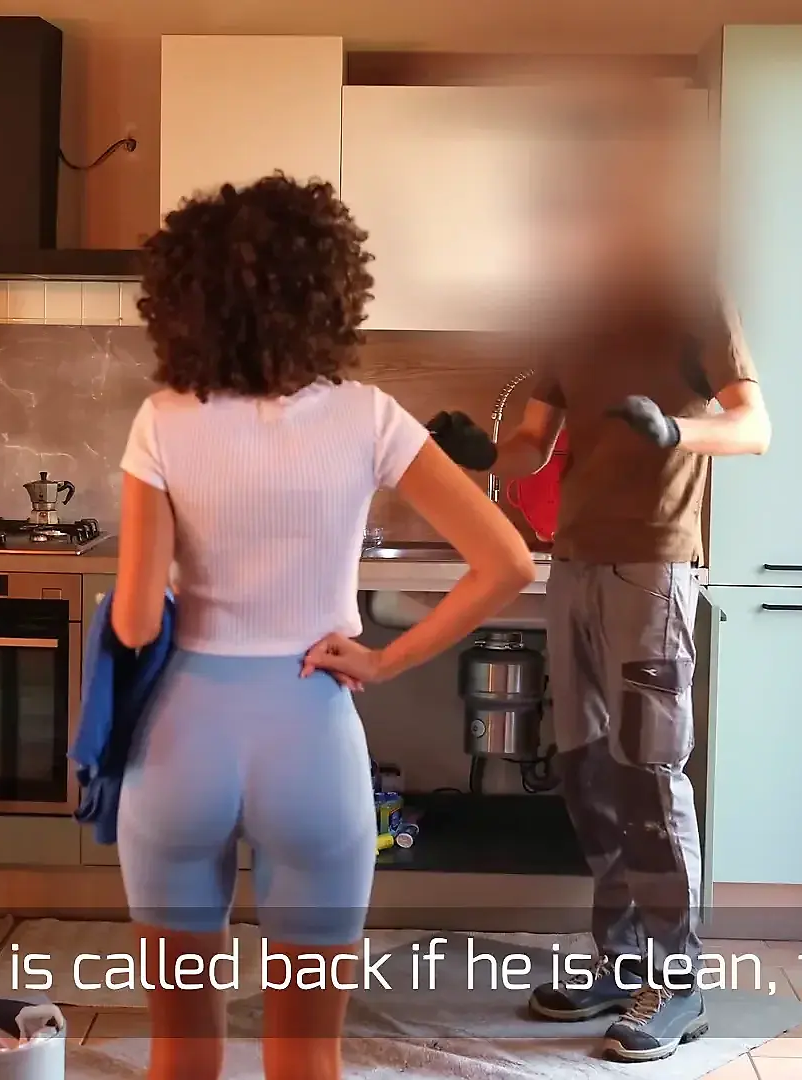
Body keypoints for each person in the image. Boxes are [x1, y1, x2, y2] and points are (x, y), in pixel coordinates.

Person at [110, 173, 536, 1080]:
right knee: (308, 1060)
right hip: (310, 738)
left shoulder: (162, 421)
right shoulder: (369, 415)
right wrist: (386, 661)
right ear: (329, 292)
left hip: (180, 746)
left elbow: (137, 622)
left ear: (185, 299)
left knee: (181, 1054)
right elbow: (507, 562)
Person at [482, 99, 773, 1064]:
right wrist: (481, 451)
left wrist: (676, 429)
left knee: (649, 775)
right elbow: (534, 438)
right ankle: (619, 960)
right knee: (586, 769)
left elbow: (756, 426)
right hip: (573, 562)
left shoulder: (693, 295)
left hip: (652, 565)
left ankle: (677, 981)